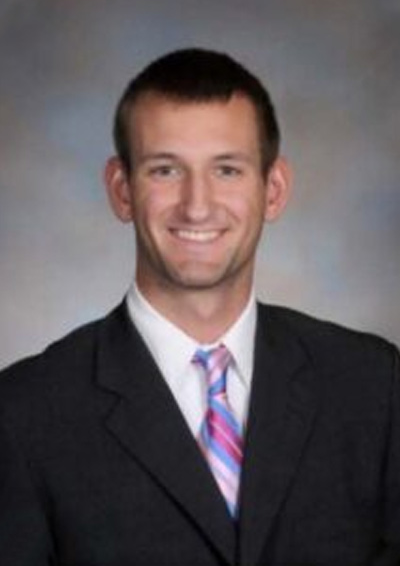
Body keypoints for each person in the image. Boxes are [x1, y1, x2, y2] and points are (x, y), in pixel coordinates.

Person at [0, 48, 399, 566]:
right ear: (121, 191)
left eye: (227, 170)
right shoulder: (23, 414)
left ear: (273, 190)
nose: (197, 205)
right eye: (166, 170)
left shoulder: (374, 387)